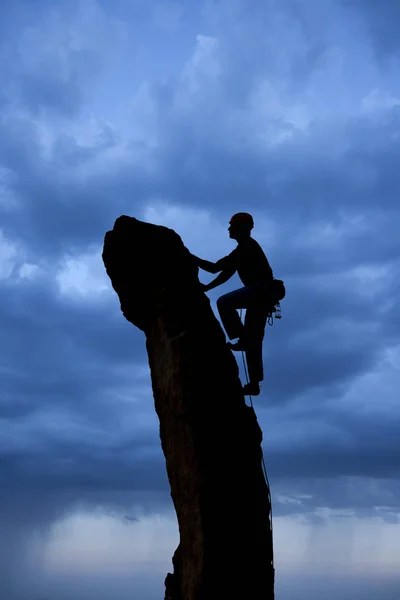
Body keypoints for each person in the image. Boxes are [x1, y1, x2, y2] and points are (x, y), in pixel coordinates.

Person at [192, 212, 284, 396]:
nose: (229, 229)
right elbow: (222, 271)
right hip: (264, 296)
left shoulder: (246, 248)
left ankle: (241, 338)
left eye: (232, 226)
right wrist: (207, 287)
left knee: (224, 302)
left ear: (240, 228)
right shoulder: (245, 249)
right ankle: (254, 384)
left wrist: (188, 256)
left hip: (260, 292)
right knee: (254, 341)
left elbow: (216, 268)